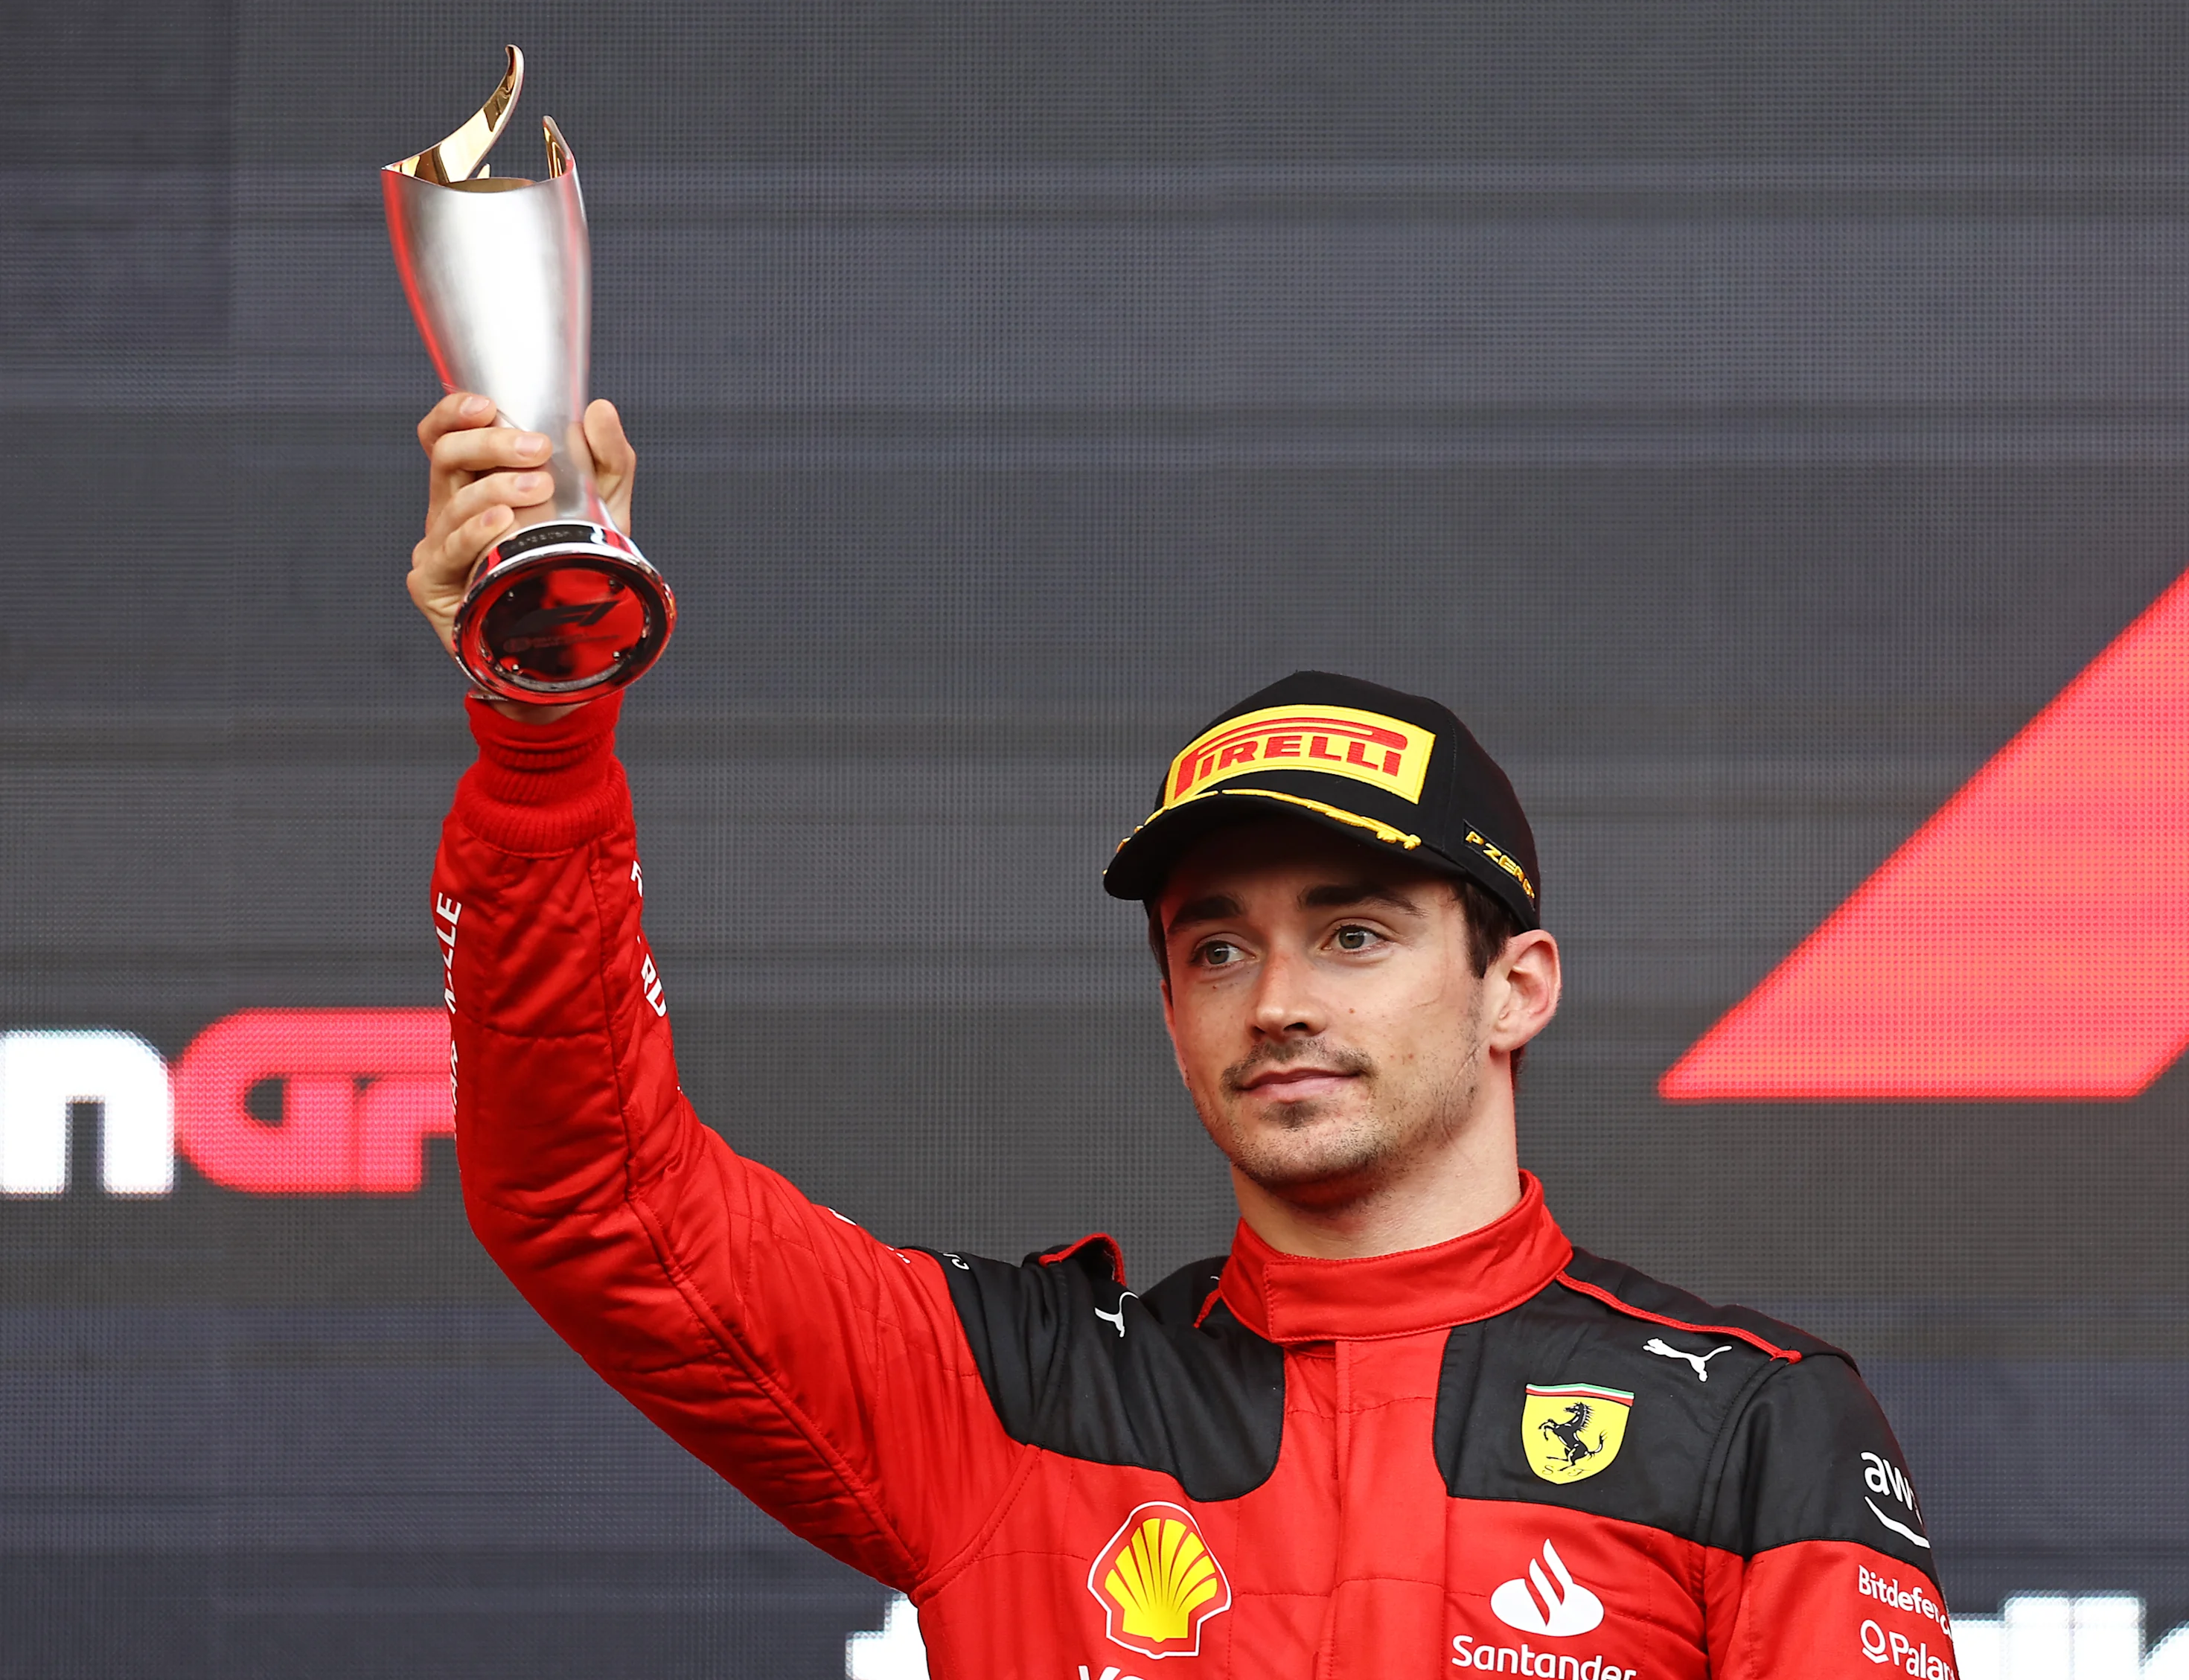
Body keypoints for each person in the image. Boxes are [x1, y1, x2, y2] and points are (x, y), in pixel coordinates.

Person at [410, 393, 1960, 1678]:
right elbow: (591, 1195)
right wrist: (545, 738)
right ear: (1169, 1007)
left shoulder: (1749, 1418)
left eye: (1354, 932)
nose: (1277, 995)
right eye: (1217, 944)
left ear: (1518, 985)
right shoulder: (1012, 1400)